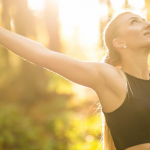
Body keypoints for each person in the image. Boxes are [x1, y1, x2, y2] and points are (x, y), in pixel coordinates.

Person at [0, 8, 150, 150]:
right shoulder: (111, 77)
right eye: (134, 22)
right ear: (119, 42)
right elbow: (42, 55)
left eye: (144, 20)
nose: (147, 24)